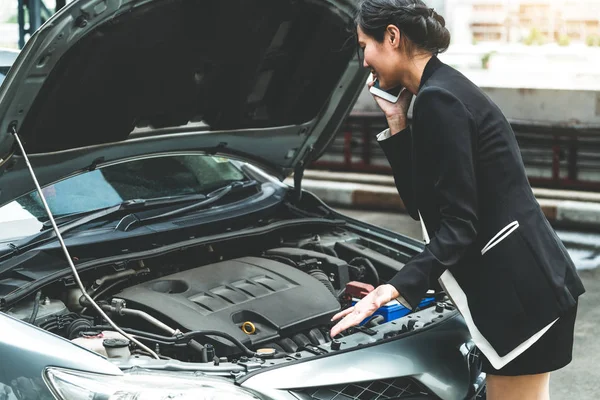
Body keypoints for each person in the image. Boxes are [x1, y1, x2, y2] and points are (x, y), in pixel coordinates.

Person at [329, 1, 585, 399]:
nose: (364, 61)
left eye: (365, 45)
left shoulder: (439, 100)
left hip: (521, 299)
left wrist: (392, 289)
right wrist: (397, 124)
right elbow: (425, 208)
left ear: (392, 37)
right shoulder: (439, 91)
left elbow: (459, 226)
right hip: (528, 289)